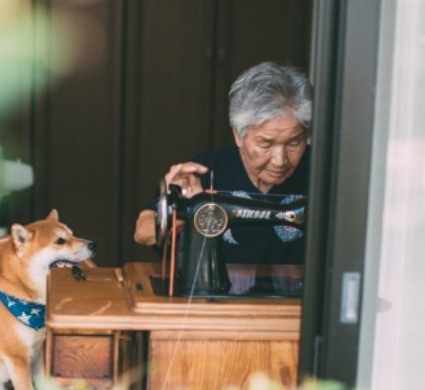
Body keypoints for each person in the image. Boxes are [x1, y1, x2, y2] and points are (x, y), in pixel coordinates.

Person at [133, 60, 313, 264]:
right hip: (219, 295)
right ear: (238, 135)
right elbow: (142, 232)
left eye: (294, 142)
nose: (280, 160)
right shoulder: (207, 170)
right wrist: (184, 208)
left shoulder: (321, 172)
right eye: (266, 143)